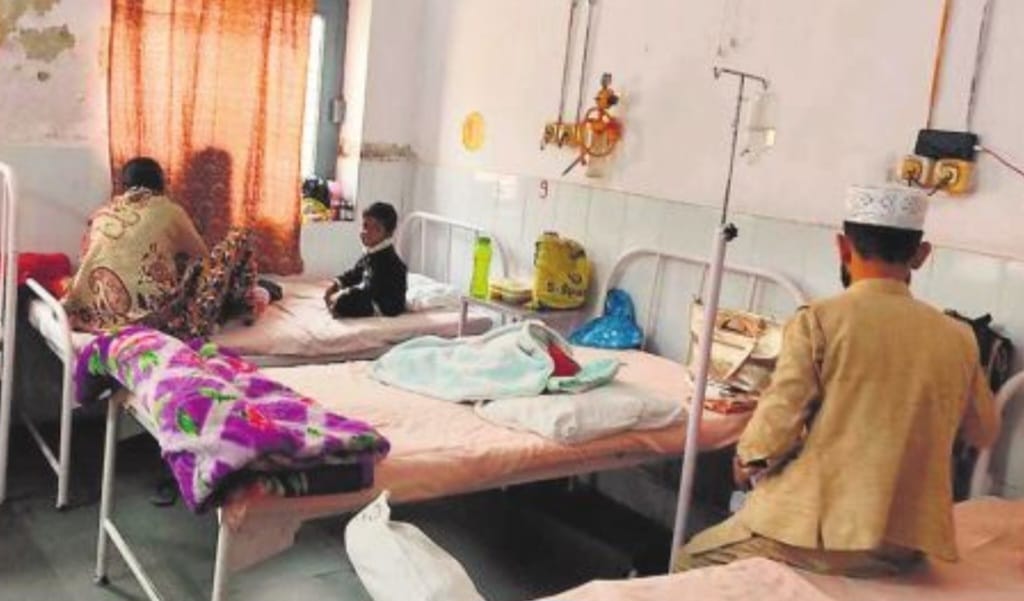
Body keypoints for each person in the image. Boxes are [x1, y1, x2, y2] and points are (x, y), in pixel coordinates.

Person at [677, 185, 1000, 577]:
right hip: (903, 544)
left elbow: (776, 425)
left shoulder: (819, 321)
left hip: (818, 535)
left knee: (690, 560)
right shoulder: (958, 337)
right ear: (921, 255)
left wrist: (747, 461)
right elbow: (983, 430)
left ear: (843, 247)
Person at [324, 202, 407, 318]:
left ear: (388, 234)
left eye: (376, 228)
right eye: (365, 226)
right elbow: (356, 272)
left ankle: (339, 307)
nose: (368, 232)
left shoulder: (388, 260)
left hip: (387, 304)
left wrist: (343, 295)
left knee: (345, 300)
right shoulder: (372, 251)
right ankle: (339, 304)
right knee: (341, 295)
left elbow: (371, 289)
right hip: (372, 293)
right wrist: (337, 284)